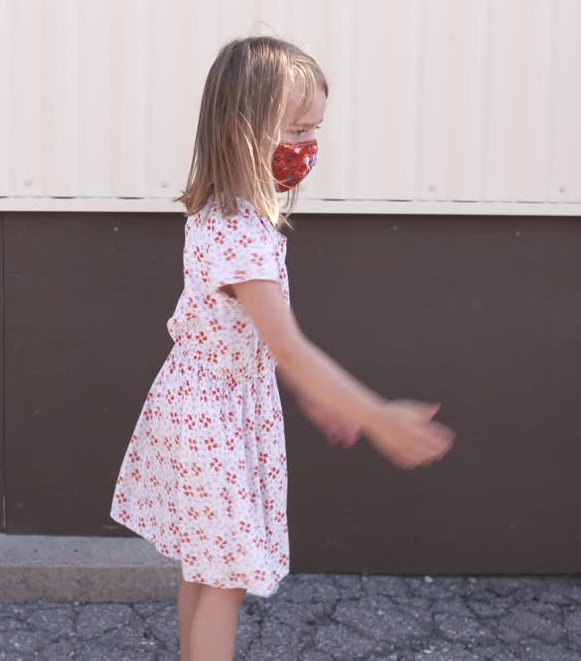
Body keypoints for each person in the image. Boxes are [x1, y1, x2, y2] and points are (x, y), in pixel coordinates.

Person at [109, 35, 455, 661]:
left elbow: (266, 344)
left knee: (205, 566)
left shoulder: (223, 212)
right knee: (225, 579)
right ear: (244, 129)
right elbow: (289, 347)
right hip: (214, 416)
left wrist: (322, 400)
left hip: (202, 402)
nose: (307, 147)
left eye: (314, 129)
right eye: (296, 128)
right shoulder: (242, 233)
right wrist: (376, 416)